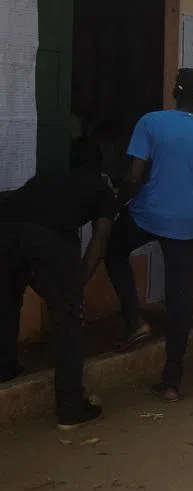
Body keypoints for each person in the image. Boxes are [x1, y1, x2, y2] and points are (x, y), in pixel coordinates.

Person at [104, 68, 193, 402]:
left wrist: (116, 201)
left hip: (147, 213)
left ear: (173, 91)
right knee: (179, 300)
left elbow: (135, 176)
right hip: (188, 222)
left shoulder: (151, 122)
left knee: (113, 251)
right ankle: (171, 383)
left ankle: (134, 318)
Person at [0, 142, 114, 428]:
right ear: (99, 168)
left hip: (6, 230)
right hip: (50, 239)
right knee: (68, 321)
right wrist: (78, 284)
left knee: (7, 301)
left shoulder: (47, 177)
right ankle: (70, 407)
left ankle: (5, 368)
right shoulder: (102, 189)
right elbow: (100, 239)